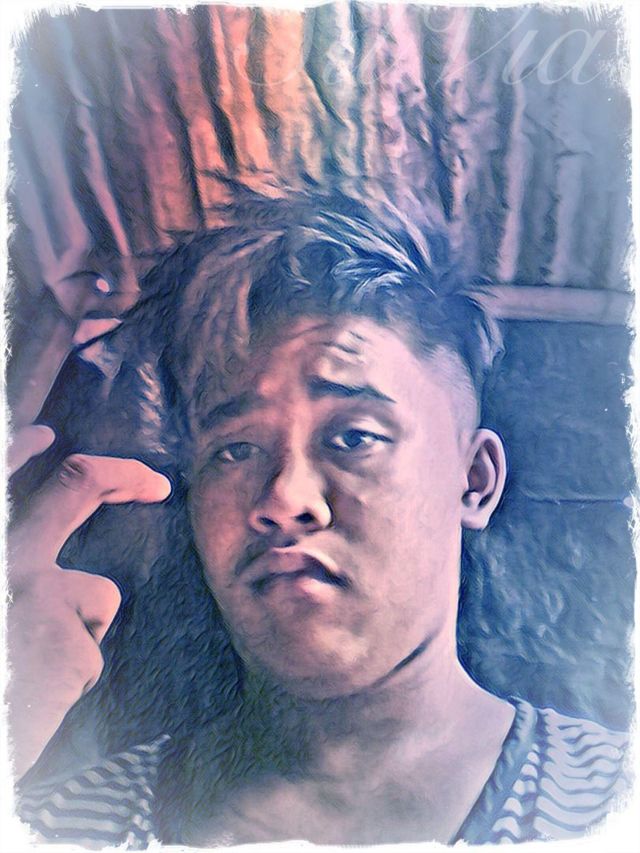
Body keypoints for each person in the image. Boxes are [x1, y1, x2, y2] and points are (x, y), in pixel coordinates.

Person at [7, 190, 629, 847]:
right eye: (235, 449)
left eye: (355, 437)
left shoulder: (613, 805)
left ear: (473, 480)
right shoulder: (54, 826)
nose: (284, 498)